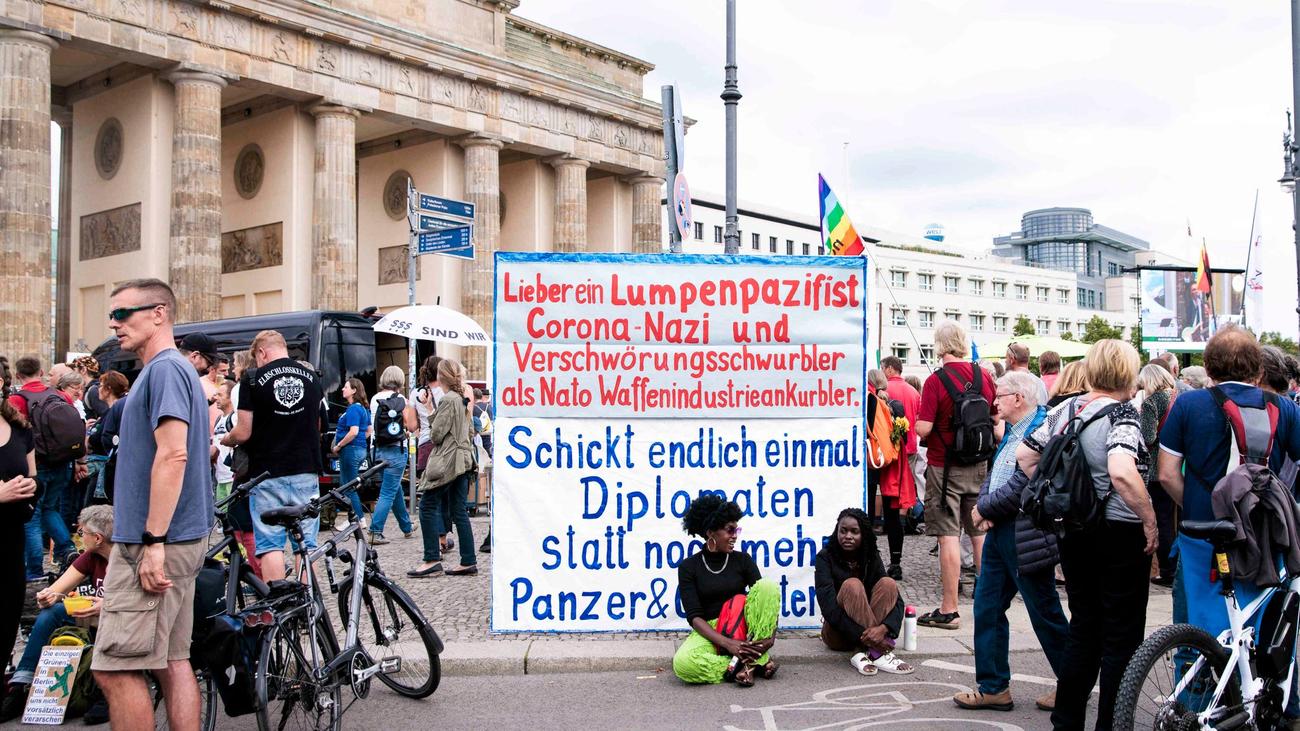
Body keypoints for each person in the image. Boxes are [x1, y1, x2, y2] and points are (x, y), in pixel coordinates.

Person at [91, 278, 214, 731]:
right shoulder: (173, 370)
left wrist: (154, 540)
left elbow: (175, 453)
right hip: (177, 535)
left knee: (115, 667)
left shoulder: (164, 369)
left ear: (159, 313)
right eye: (113, 314)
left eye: (123, 313)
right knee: (172, 660)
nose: (114, 323)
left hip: (158, 540)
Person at [1017, 339, 1156, 731]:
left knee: (1083, 629)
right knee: (1120, 639)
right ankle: (1111, 724)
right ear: (1126, 374)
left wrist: (1064, 498)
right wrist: (1149, 519)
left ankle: (1067, 721)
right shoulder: (1124, 415)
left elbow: (1026, 456)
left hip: (1074, 533)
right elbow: (1122, 471)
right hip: (1119, 535)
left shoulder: (1064, 409)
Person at [1158, 326, 1300, 635]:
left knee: (1195, 626)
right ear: (1258, 368)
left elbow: (1167, 473)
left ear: (1208, 366)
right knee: (1263, 624)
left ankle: (1198, 679)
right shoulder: (1284, 408)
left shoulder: (1187, 405)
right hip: (1261, 533)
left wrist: (1202, 502)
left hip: (1202, 530)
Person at [954, 371, 1066, 714]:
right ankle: (993, 687)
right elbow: (996, 472)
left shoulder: (1041, 429)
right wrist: (985, 508)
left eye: (1000, 395)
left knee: (1043, 610)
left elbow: (1023, 484)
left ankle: (1072, 681)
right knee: (987, 607)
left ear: (1019, 398)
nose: (994, 401)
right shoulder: (1016, 430)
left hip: (1026, 533)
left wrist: (984, 509)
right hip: (1004, 530)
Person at [221, 329, 323, 583]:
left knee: (270, 543)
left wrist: (228, 438)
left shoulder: (253, 379)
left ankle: (279, 607)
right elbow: (317, 424)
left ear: (262, 352)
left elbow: (243, 431)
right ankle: (308, 606)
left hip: (267, 471)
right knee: (306, 542)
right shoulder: (311, 377)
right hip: (305, 467)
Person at [2, 504, 115, 723]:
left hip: (123, 617)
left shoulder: (127, 557)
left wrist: (108, 604)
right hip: (95, 614)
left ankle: (106, 692)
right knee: (52, 612)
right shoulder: (92, 556)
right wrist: (50, 595)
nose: (79, 537)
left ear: (98, 538)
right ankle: (20, 686)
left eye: (82, 533)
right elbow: (59, 588)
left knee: (112, 617)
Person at [915, 320, 995, 630]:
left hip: (943, 467)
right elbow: (994, 420)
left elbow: (924, 428)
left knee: (949, 536)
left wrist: (913, 425)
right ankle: (988, 604)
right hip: (978, 464)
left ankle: (949, 608)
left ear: (939, 345)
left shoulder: (936, 381)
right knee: (979, 533)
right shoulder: (983, 376)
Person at [672, 494, 779, 686]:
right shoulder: (688, 567)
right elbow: (695, 617)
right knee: (683, 664)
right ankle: (751, 663)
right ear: (711, 532)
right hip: (710, 631)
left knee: (767, 587)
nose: (735, 536)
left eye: (736, 529)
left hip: (742, 628)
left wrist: (770, 639)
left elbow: (764, 601)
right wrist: (728, 644)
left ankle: (748, 659)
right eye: (730, 530)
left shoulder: (743, 560)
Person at [815, 508, 911, 675]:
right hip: (838, 634)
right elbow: (829, 609)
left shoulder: (871, 555)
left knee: (888, 583)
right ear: (836, 531)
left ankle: (864, 652)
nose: (848, 536)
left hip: (873, 632)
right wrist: (870, 637)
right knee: (852, 585)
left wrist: (884, 629)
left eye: (854, 532)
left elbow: (897, 601)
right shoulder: (825, 557)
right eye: (843, 531)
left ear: (863, 534)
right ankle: (876, 652)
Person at [9, 355, 79, 580]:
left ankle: (34, 571)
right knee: (50, 509)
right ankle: (68, 550)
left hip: (36, 466)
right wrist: (80, 461)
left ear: (18, 376)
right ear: (41, 373)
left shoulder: (17, 400)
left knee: (32, 517)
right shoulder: (59, 395)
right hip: (62, 461)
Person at [409, 359, 477, 577]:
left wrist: (429, 410)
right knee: (459, 510)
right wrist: (431, 408)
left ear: (441, 377)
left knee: (428, 505)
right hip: (464, 460)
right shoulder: (462, 399)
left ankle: (431, 558)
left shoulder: (449, 400)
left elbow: (436, 434)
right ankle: (468, 560)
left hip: (448, 461)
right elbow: (469, 430)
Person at [0, 383, 37, 721]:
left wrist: (29, 487)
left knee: (8, 610)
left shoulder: (18, 427)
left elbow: (33, 474)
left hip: (12, 536)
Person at [1137, 363, 1179, 587]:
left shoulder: (1151, 402)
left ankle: (1167, 570)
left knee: (1161, 520)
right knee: (1176, 520)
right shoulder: (1179, 396)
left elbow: (1148, 436)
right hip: (1180, 465)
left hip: (1156, 468)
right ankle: (1176, 567)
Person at [367, 366, 417, 545]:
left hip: (377, 449)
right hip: (396, 449)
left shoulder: (374, 399)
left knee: (393, 489)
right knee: (388, 491)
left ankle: (406, 527)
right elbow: (408, 423)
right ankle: (375, 530)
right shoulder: (401, 399)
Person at [880, 356, 920, 578]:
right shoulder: (913, 392)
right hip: (909, 448)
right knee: (905, 494)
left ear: (888, 369)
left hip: (887, 454)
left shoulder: (884, 391)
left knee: (890, 500)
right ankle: (909, 520)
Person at [331, 377, 371, 525]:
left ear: (354, 390)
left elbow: (353, 431)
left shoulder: (353, 408)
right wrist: (360, 443)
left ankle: (357, 518)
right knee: (347, 483)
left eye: (346, 387)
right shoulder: (363, 409)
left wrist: (339, 445)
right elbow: (368, 431)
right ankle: (356, 517)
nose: (342, 389)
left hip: (350, 450)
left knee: (348, 486)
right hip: (359, 449)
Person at [87, 371, 128, 501]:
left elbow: (104, 439)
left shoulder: (115, 411)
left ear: (108, 389)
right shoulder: (109, 412)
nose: (98, 389)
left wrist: (89, 439)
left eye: (101, 385)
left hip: (106, 470)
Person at [211, 381, 235, 504]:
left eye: (220, 395)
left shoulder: (234, 418)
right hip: (220, 477)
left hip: (231, 477)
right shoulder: (219, 419)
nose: (216, 398)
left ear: (231, 397)